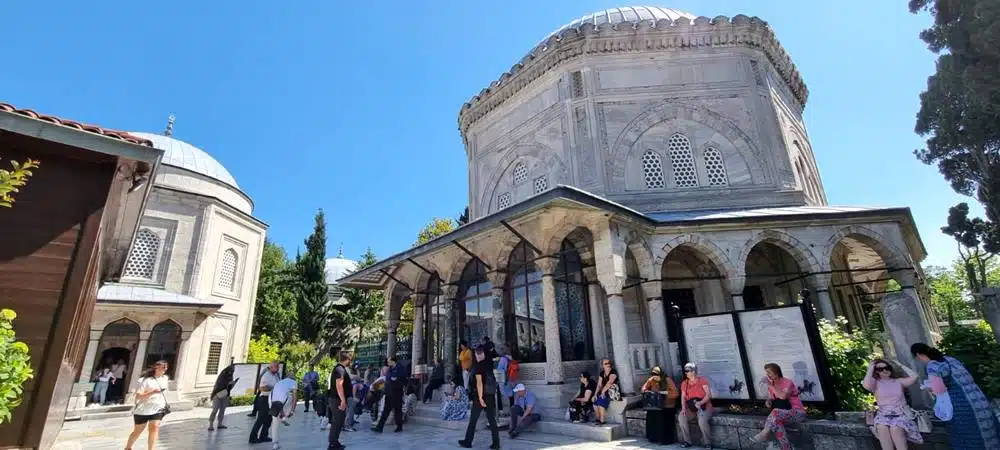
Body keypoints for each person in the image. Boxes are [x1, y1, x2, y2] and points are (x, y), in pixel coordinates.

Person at [911, 343, 1000, 450]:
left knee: (968, 438)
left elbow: (939, 390)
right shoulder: (951, 359)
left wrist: (928, 388)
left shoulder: (933, 365)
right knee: (990, 434)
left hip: (962, 406)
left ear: (918, 355)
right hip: (979, 400)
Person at [861, 358, 922, 449]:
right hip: (883, 415)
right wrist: (870, 368)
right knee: (882, 428)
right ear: (876, 371)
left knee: (896, 429)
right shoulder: (875, 383)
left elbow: (915, 376)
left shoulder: (899, 381)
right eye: (880, 369)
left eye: (887, 367)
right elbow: (866, 385)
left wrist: (899, 364)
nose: (884, 370)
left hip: (900, 414)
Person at [749, 363, 806, 450]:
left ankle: (765, 433)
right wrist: (768, 401)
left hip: (797, 413)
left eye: (769, 372)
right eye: (766, 373)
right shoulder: (771, 385)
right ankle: (786, 448)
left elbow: (783, 396)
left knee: (775, 412)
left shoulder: (788, 382)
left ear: (776, 372)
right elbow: (772, 398)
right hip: (782, 415)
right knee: (776, 423)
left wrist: (770, 385)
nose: (767, 375)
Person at [458, 345, 500, 450]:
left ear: (484, 354)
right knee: (492, 420)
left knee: (473, 420)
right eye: (476, 353)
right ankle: (496, 443)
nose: (477, 355)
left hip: (480, 397)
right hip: (489, 396)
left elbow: (480, 383)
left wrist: (480, 398)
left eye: (480, 353)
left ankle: (468, 441)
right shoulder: (489, 365)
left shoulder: (478, 367)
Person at [124, 360, 170, 450]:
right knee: (138, 431)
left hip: (158, 407)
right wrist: (152, 392)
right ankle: (128, 447)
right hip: (143, 408)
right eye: (163, 367)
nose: (165, 369)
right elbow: (139, 395)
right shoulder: (145, 380)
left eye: (166, 367)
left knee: (155, 428)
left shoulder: (165, 378)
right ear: (156, 368)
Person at [678, 362, 713, 449]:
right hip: (691, 407)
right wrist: (683, 408)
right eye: (685, 371)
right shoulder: (684, 383)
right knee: (681, 417)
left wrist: (700, 403)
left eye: (687, 371)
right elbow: (683, 397)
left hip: (704, 406)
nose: (685, 373)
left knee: (702, 420)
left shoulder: (702, 380)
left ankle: (707, 443)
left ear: (693, 371)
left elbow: (708, 395)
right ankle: (687, 441)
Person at [641, 366, 679, 444]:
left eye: (657, 377)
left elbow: (676, 393)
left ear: (660, 375)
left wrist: (666, 393)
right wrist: (648, 392)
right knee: (651, 414)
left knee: (662, 416)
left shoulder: (667, 380)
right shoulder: (651, 379)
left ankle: (665, 440)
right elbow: (643, 389)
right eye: (654, 376)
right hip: (656, 404)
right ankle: (653, 438)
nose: (655, 378)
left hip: (667, 405)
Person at [249, 361, 281, 444]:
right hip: (265, 399)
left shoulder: (277, 375)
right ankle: (253, 438)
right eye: (276, 366)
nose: (278, 368)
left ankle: (263, 436)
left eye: (278, 366)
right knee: (261, 419)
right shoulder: (266, 375)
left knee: (269, 419)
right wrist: (272, 388)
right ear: (271, 367)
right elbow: (262, 388)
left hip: (273, 399)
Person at [328, 350, 353, 450]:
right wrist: (343, 400)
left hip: (336, 399)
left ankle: (334, 441)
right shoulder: (340, 369)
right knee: (337, 422)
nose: (350, 361)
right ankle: (333, 444)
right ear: (347, 359)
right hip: (337, 399)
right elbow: (339, 385)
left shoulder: (339, 368)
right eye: (350, 359)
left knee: (338, 421)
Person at [372, 357, 404, 433]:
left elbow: (402, 379)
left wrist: (395, 379)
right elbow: (387, 378)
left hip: (397, 393)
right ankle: (379, 427)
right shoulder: (390, 369)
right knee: (386, 410)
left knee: (397, 410)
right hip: (389, 392)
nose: (388, 363)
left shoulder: (400, 368)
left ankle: (399, 427)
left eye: (389, 361)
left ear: (393, 361)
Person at [268, 370, 297, 450]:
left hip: (271, 400)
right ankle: (284, 417)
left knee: (275, 423)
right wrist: (292, 410)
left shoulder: (280, 382)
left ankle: (275, 444)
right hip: (281, 402)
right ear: (293, 377)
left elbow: (277, 394)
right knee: (290, 396)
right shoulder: (293, 382)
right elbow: (295, 398)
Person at [208, 364, 237, 431]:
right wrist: (228, 383)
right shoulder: (222, 376)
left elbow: (229, 388)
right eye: (232, 369)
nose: (233, 371)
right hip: (217, 395)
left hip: (225, 395)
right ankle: (211, 425)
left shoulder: (230, 376)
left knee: (222, 410)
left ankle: (220, 424)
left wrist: (233, 384)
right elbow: (220, 385)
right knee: (215, 410)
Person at [593, 358, 621, 426]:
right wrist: (595, 394)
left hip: (612, 391)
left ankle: (602, 420)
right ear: (602, 365)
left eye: (609, 363)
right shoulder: (602, 373)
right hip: (605, 390)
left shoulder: (613, 372)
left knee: (601, 401)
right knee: (595, 402)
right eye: (606, 363)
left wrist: (602, 392)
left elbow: (610, 382)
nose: (608, 365)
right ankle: (598, 418)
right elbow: (599, 384)